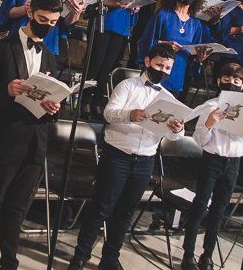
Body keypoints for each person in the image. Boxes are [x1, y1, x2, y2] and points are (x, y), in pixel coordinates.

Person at [0, 0, 63, 270]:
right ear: (30, 12)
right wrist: (6, 90)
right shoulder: (0, 49)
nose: (47, 26)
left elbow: (55, 103)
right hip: (6, 139)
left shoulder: (52, 59)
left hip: (35, 143)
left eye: (53, 22)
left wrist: (54, 108)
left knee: (18, 209)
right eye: (43, 19)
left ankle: (9, 263)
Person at [68, 43, 184, 270]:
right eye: (160, 64)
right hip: (118, 155)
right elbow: (109, 113)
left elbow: (174, 138)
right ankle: (80, 257)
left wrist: (177, 129)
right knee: (101, 207)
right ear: (148, 62)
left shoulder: (169, 97)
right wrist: (130, 114)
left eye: (168, 68)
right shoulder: (127, 85)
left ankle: (110, 259)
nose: (163, 70)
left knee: (126, 212)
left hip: (145, 158)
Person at [182, 62, 243, 270]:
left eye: (237, 81)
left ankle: (207, 255)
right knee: (200, 205)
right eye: (227, 79)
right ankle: (188, 254)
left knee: (219, 209)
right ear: (218, 81)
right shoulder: (210, 105)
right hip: (212, 160)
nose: (232, 83)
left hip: (234, 163)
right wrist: (210, 123)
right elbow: (199, 139)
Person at [81, 0, 140, 119]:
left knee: (108, 66)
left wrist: (134, 8)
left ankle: (99, 101)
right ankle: (85, 100)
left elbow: (133, 0)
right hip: (104, 24)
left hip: (121, 27)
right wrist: (111, 3)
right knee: (96, 63)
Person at [138, 0, 212, 97]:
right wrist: (164, 44)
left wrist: (200, 58)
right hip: (157, 70)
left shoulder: (196, 23)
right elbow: (146, 41)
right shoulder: (163, 14)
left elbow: (194, 53)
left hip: (179, 74)